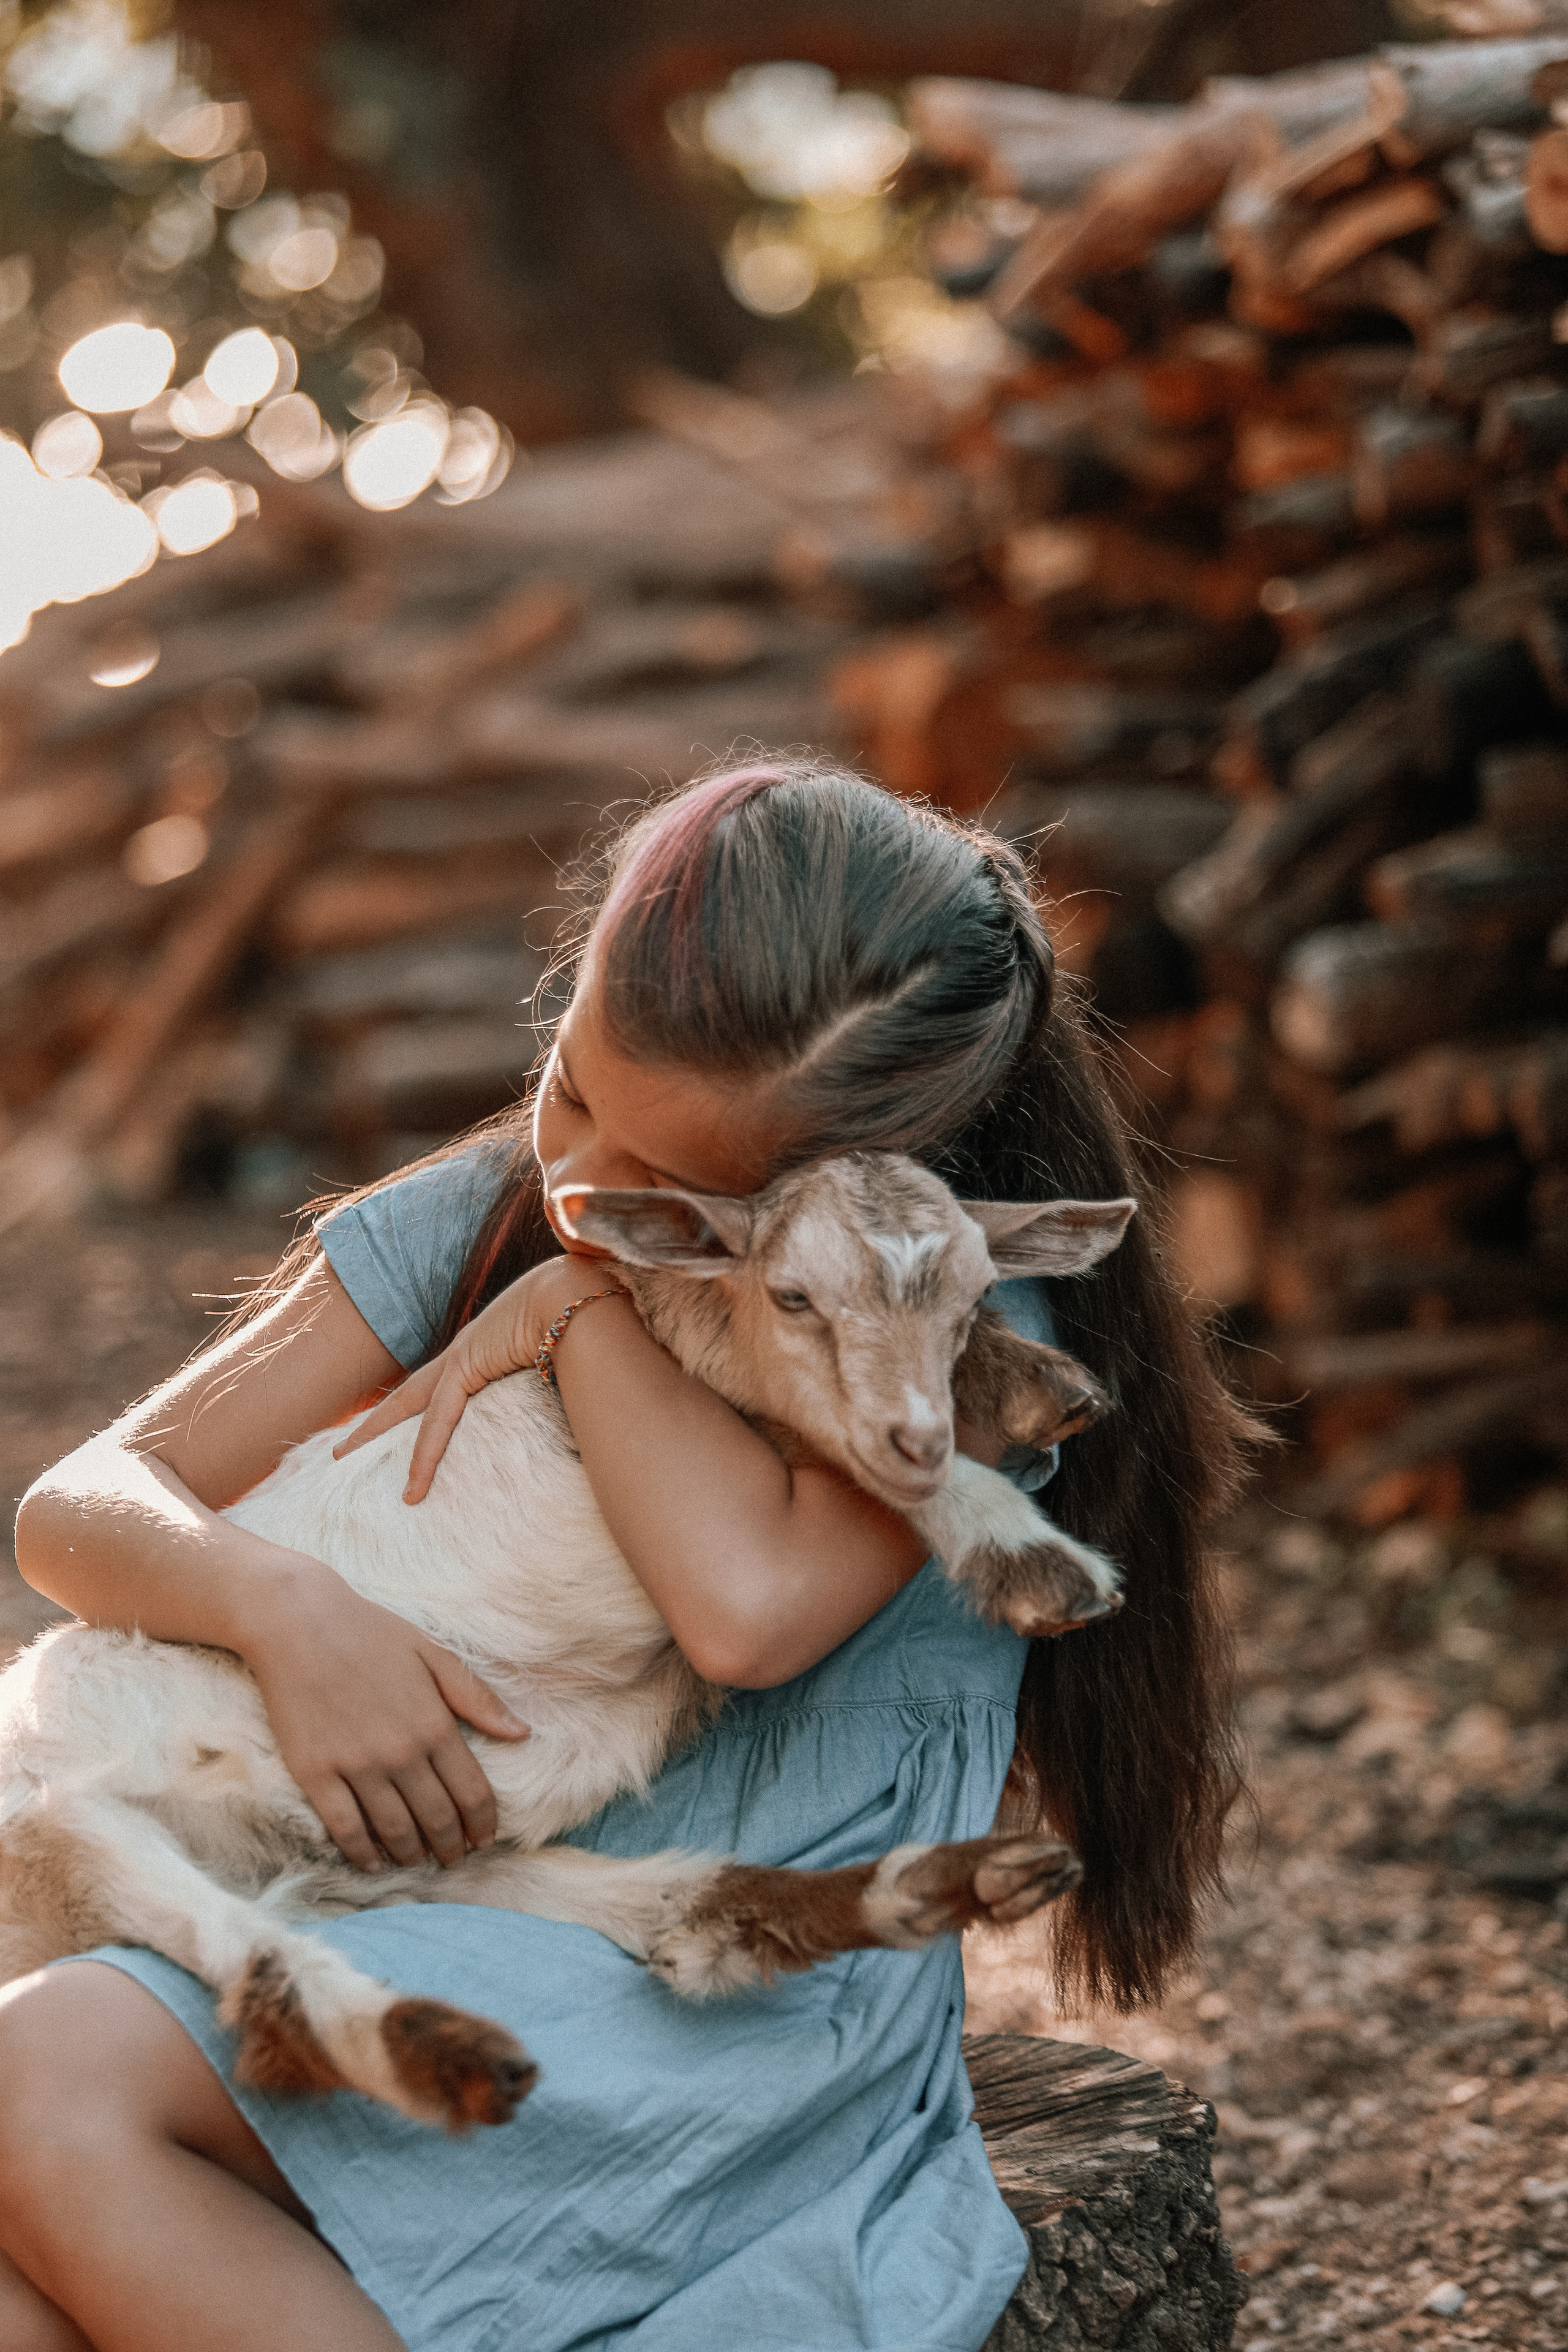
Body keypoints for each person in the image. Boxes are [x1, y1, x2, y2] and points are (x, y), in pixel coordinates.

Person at [1, 760, 1249, 2352]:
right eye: (575, 1083)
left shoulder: (936, 1315)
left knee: (36, 2079)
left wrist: (582, 1316)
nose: (586, 1191)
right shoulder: (481, 1210)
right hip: (420, 1901)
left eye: (673, 1190)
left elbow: (743, 1617)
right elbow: (83, 1508)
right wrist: (285, 1606)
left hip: (727, 1979)